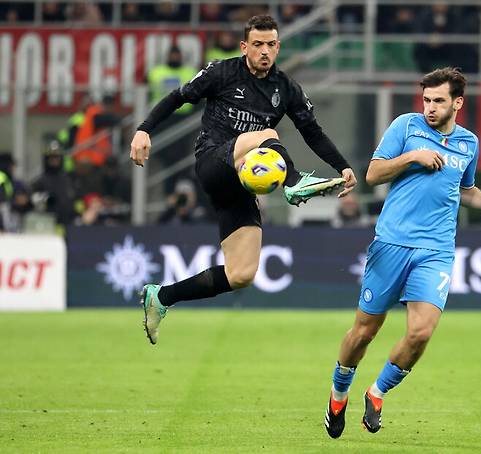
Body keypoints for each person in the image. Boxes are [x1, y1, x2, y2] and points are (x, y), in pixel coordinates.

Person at [130, 14, 357, 345]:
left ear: (278, 47)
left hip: (240, 185)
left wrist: (342, 166)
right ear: (244, 46)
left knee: (241, 274)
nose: (264, 51)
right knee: (266, 133)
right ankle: (293, 182)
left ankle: (161, 297)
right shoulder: (222, 71)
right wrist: (143, 129)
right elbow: (178, 97)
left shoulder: (285, 88)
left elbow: (312, 132)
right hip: (213, 161)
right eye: (257, 44)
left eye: (270, 45)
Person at [323, 67, 481, 438]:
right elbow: (374, 174)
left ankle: (376, 393)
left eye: (438, 100)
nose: (429, 107)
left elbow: (465, 188)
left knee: (421, 333)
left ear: (457, 103)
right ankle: (338, 392)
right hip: (392, 243)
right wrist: (414, 157)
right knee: (364, 332)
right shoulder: (405, 127)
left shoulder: (468, 143)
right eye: (426, 99)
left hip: (436, 250)